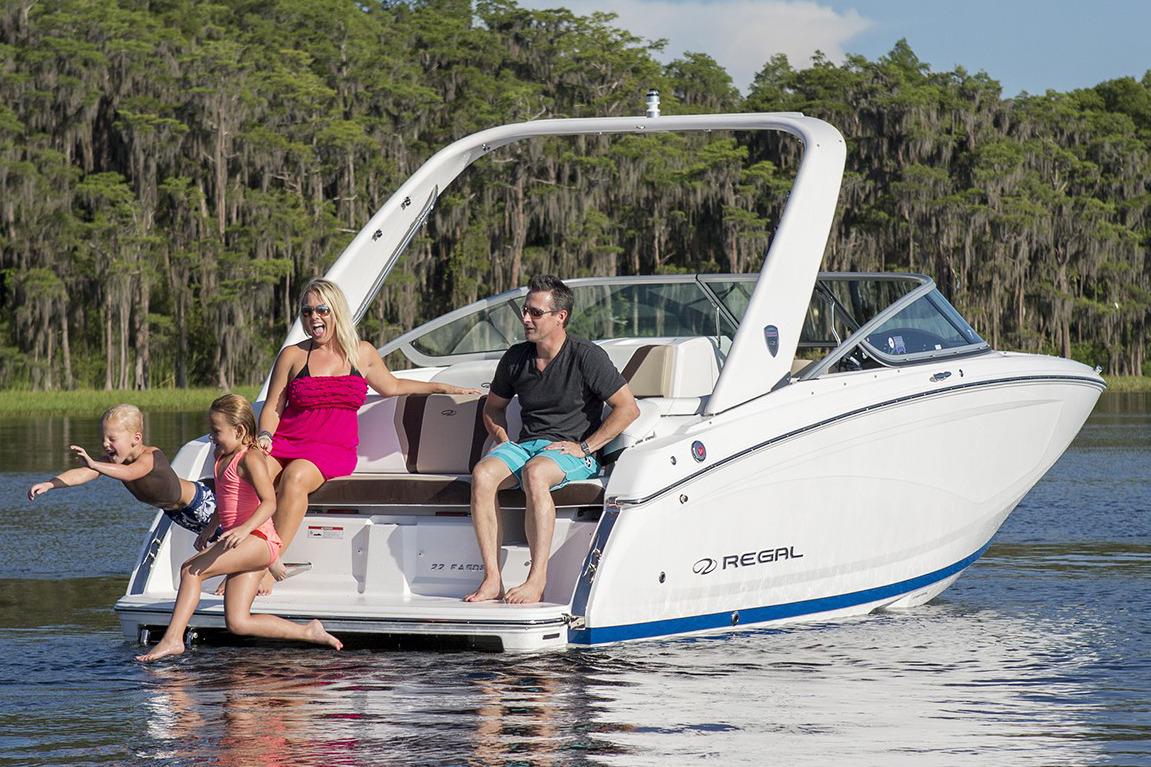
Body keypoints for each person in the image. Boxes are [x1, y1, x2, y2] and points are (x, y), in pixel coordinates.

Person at [255, 277, 480, 590]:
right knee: (250, 473)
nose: (314, 317)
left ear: (337, 311)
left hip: (330, 449)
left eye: (322, 310)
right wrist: (265, 435)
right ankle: (237, 557)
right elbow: (273, 406)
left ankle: (265, 566)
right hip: (286, 441)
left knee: (294, 478)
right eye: (307, 312)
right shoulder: (293, 355)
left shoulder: (361, 353)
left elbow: (392, 386)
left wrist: (440, 387)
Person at [464, 275, 640, 604]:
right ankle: (492, 578)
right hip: (526, 446)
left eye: (535, 312)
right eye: (524, 311)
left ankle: (537, 579)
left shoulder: (587, 356)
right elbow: (493, 408)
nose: (525, 318)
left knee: (536, 472)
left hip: (571, 452)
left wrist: (586, 447)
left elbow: (628, 409)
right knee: (483, 474)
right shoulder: (516, 358)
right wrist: (502, 438)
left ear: (561, 316)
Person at [136, 393, 342, 662]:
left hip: (259, 539)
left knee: (191, 570)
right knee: (238, 622)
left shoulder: (250, 459)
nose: (212, 437)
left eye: (216, 431)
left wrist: (245, 530)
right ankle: (308, 631)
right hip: (242, 541)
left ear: (240, 431)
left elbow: (269, 503)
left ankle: (173, 639)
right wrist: (211, 527)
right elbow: (226, 498)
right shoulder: (221, 456)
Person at [28, 403, 218, 537]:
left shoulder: (150, 456)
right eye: (103, 439)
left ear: (136, 438)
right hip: (176, 513)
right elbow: (82, 473)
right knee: (215, 539)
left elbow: (130, 473)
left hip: (200, 502)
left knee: (227, 538)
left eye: (112, 439)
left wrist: (94, 464)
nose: (105, 444)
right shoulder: (113, 462)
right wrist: (50, 484)